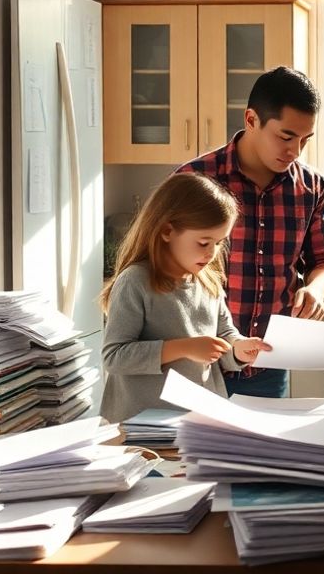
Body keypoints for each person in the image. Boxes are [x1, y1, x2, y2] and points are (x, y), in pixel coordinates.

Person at [178, 66, 324, 398]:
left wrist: (316, 289)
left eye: (304, 140)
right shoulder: (195, 179)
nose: (295, 151)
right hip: (199, 365)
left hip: (268, 365)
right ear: (251, 120)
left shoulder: (311, 187)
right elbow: (158, 266)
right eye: (285, 137)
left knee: (264, 452)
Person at [98, 173, 271, 423]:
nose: (212, 253)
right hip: (143, 428)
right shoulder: (135, 281)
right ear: (167, 231)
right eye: (203, 242)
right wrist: (185, 347)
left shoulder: (207, 280)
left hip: (197, 421)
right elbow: (114, 357)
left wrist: (239, 349)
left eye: (219, 243)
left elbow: (224, 335)